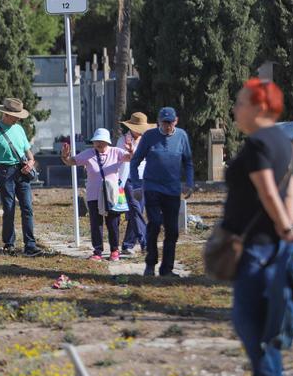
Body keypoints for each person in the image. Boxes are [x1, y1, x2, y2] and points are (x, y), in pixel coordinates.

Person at [224, 78, 293, 376]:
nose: (235, 109)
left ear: (259, 108)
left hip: (256, 248)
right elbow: (292, 195)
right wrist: (286, 229)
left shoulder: (256, 145)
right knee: (265, 321)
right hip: (271, 246)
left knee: (248, 320)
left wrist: (284, 229)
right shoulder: (284, 144)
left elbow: (270, 193)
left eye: (241, 103)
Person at [129, 107, 193, 276]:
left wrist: (190, 183)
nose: (167, 126)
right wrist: (136, 185)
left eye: (170, 122)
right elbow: (135, 161)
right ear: (158, 121)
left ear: (176, 121)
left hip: (172, 190)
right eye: (164, 122)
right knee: (155, 223)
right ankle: (150, 264)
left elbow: (188, 162)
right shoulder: (149, 137)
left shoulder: (181, 136)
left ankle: (167, 269)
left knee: (172, 230)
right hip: (152, 188)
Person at [0, 98, 44, 257]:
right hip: (4, 173)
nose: (18, 118)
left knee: (27, 208)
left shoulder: (20, 129)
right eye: (16, 116)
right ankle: (9, 244)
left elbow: (28, 153)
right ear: (6, 114)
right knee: (9, 209)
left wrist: (31, 163)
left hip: (22, 172)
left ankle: (30, 245)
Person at [60, 128, 132, 261]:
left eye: (102, 141)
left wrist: (132, 150)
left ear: (108, 142)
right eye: (96, 141)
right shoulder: (88, 153)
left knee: (113, 223)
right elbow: (71, 161)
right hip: (93, 195)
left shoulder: (116, 152)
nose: (99, 144)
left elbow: (129, 158)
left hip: (111, 195)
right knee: (96, 224)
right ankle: (97, 251)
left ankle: (114, 250)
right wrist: (65, 156)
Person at [116, 112, 155, 255]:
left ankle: (127, 245)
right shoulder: (122, 141)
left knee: (137, 211)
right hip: (128, 179)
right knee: (135, 209)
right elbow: (120, 159)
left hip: (145, 178)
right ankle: (146, 242)